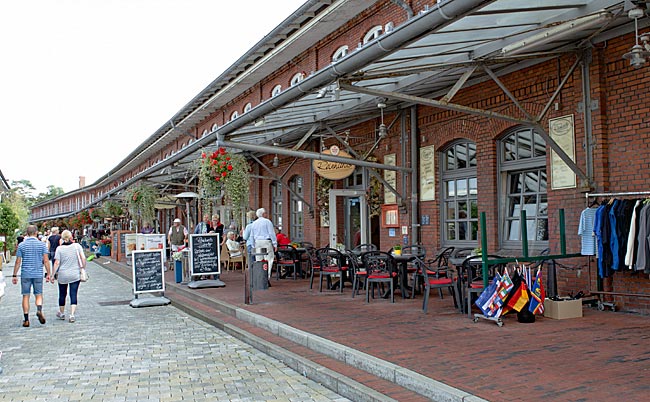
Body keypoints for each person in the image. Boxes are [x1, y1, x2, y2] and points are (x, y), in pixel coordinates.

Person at [12, 225, 52, 327]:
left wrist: (14, 274)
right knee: (38, 294)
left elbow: (18, 261)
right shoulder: (42, 245)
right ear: (36, 232)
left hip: (25, 273)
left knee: (25, 295)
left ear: (27, 233)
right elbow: (46, 260)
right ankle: (39, 309)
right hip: (38, 273)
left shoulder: (22, 245)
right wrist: (48, 273)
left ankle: (26, 320)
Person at [52, 230, 84, 323]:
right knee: (73, 293)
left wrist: (52, 274)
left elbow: (57, 262)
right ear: (71, 237)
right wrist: (82, 268)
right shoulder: (77, 246)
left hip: (63, 274)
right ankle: (72, 314)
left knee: (62, 294)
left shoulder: (59, 249)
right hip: (75, 273)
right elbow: (83, 258)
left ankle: (61, 313)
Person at [250, 208, 277, 282]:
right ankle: (266, 277)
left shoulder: (254, 223)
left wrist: (253, 245)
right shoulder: (267, 222)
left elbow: (251, 235)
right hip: (266, 242)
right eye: (265, 213)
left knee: (259, 259)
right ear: (263, 214)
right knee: (269, 259)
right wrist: (275, 244)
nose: (266, 214)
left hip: (257, 242)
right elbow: (271, 233)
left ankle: (260, 276)